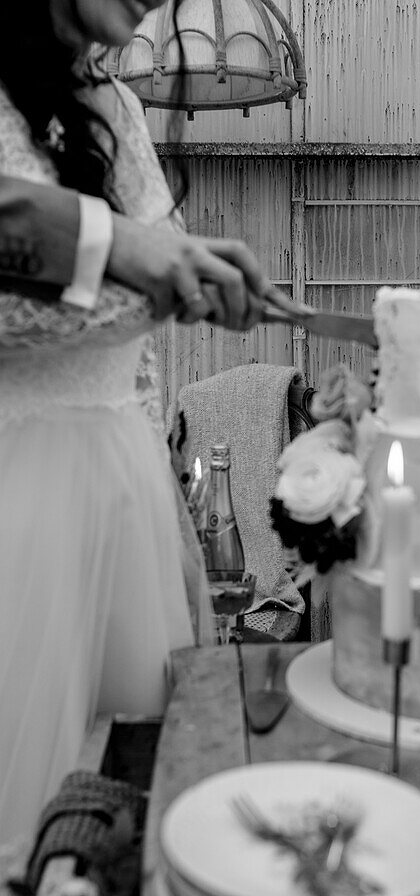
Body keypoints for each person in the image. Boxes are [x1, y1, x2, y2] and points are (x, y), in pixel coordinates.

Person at [0, 0, 294, 845]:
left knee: (124, 807)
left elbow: (135, 341)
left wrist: (192, 281)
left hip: (126, 497)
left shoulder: (117, 105)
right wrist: (128, 252)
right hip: (18, 500)